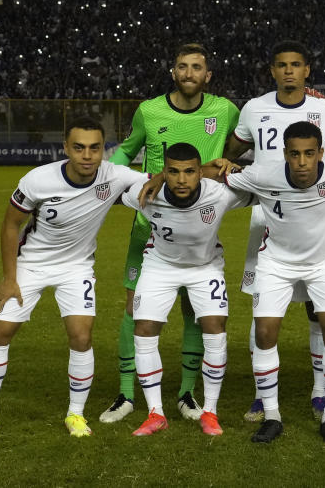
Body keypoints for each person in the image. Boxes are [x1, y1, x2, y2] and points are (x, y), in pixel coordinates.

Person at [0, 116, 146, 441]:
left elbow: (160, 180)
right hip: (31, 264)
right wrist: (9, 278)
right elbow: (10, 226)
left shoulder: (116, 175)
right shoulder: (37, 180)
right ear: (66, 149)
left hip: (77, 268)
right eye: (79, 148)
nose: (87, 156)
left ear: (104, 149)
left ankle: (76, 414)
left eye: (95, 148)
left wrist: (213, 169)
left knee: (82, 337)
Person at [100, 43, 241, 424]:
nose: (190, 73)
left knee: (196, 312)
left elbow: (246, 149)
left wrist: (235, 161)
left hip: (199, 231)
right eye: (183, 66)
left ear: (207, 75)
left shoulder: (225, 110)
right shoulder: (149, 110)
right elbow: (124, 154)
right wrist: (105, 184)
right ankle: (127, 395)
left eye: (198, 67)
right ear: (173, 72)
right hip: (149, 228)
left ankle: (186, 393)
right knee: (134, 311)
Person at [222, 121, 325, 444]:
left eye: (309, 154)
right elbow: (219, 174)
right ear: (285, 154)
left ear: (321, 153)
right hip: (275, 264)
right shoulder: (263, 174)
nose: (302, 162)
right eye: (295, 154)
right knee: (264, 333)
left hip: (324, 264)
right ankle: (272, 415)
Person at [225, 40, 325, 421]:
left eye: (296, 64)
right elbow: (233, 152)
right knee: (263, 310)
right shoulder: (254, 109)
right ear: (273, 71)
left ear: (307, 70)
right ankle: (262, 398)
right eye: (282, 65)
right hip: (267, 220)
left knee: (318, 311)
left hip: (313, 222)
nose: (289, 71)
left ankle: (319, 389)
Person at [124, 143, 252, 437]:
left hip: (205, 267)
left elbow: (259, 182)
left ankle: (211, 411)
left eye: (190, 172)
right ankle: (155, 413)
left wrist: (232, 169)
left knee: (215, 328)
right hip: (159, 266)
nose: (182, 180)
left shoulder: (220, 194)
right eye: (174, 172)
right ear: (163, 173)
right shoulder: (143, 194)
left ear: (200, 173)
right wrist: (152, 179)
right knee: (143, 330)